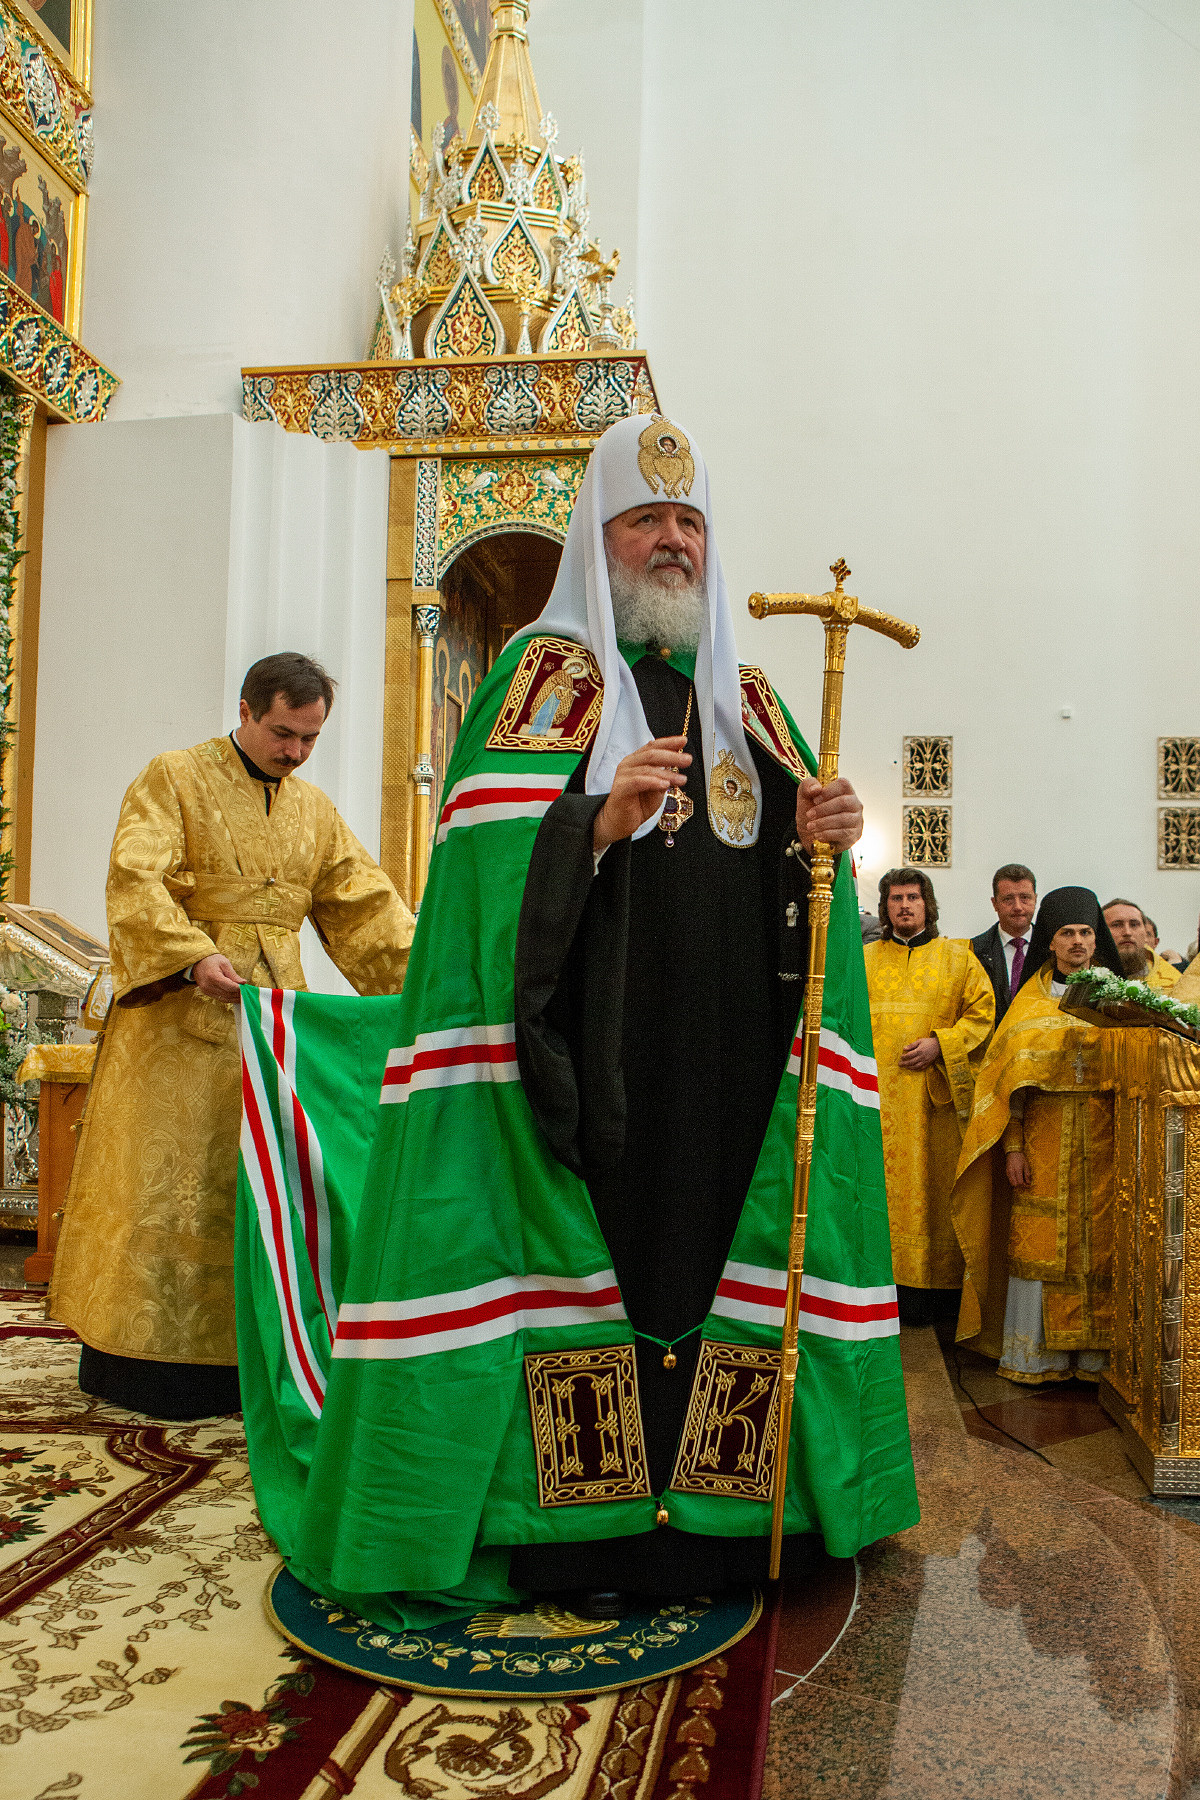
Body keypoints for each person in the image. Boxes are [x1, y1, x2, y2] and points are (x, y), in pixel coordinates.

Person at [238, 413, 919, 1629]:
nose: (672, 542)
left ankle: (722, 1522)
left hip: (725, 1067)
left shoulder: (755, 702)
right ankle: (582, 1536)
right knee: (599, 1267)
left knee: (713, 1263)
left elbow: (797, 905)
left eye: (690, 521)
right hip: (584, 1065)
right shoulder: (544, 680)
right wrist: (592, 827)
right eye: (646, 519)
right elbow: (484, 890)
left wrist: (824, 842)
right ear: (597, 541)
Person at [50, 654, 416, 1420]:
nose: (295, 752)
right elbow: (134, 879)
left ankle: (255, 1356)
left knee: (260, 1185)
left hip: (273, 1025)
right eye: (284, 732)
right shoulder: (173, 776)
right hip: (178, 1030)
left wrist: (430, 985)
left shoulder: (313, 811)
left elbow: (365, 908)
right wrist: (190, 958)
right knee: (175, 1187)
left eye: (310, 738)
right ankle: (137, 1362)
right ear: (247, 709)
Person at [951, 887, 1123, 1384]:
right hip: (1044, 1144)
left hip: (1107, 1144)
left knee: (1103, 1245)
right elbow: (1008, 1088)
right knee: (1038, 1244)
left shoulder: (1121, 999)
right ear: (1050, 941)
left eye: (1086, 933)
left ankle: (1095, 1359)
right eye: (1067, 933)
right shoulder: (1029, 1004)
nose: (1077, 942)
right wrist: (1013, 1147)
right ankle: (1037, 1357)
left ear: (1097, 940)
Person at [865, 868, 994, 1329]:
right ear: (885, 908)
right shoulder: (862, 959)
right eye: (896, 898)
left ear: (928, 905)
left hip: (930, 1107)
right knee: (877, 1197)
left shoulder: (958, 958)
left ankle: (932, 1300)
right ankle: (879, 1294)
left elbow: (982, 1014)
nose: (904, 905)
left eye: (913, 898)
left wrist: (942, 1043)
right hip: (875, 1104)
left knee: (932, 1196)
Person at [970, 864, 1037, 1023]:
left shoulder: (1053, 949)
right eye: (1008, 899)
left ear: (1035, 899)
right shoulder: (974, 951)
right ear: (994, 903)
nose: (1018, 907)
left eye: (1025, 898)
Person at [1101, 899, 1180, 989]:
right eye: (1116, 925)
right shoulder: (1085, 976)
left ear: (1145, 933)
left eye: (1134, 925)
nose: (1127, 932)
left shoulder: (1175, 984)